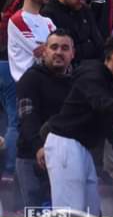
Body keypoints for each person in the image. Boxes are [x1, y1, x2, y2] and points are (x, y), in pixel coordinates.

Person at [44, 34, 113, 214]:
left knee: (91, 209)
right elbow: (101, 103)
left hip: (80, 147)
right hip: (66, 145)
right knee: (71, 210)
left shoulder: (104, 77)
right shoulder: (93, 76)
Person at [14, 29, 74, 209]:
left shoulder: (77, 81)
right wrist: (39, 147)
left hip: (67, 159)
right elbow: (27, 116)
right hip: (32, 157)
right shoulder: (30, 78)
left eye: (65, 48)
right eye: (54, 47)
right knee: (37, 211)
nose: (59, 52)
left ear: (73, 53)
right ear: (45, 51)